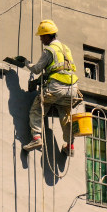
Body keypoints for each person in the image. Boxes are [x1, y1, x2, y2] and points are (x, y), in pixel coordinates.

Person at [23, 19, 81, 155]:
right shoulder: (66, 49)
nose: (41, 40)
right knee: (65, 114)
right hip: (72, 89)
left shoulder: (49, 50)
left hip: (56, 88)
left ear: (48, 36)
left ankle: (36, 137)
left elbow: (37, 69)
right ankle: (70, 146)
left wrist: (26, 63)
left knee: (37, 108)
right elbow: (59, 69)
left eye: (42, 36)